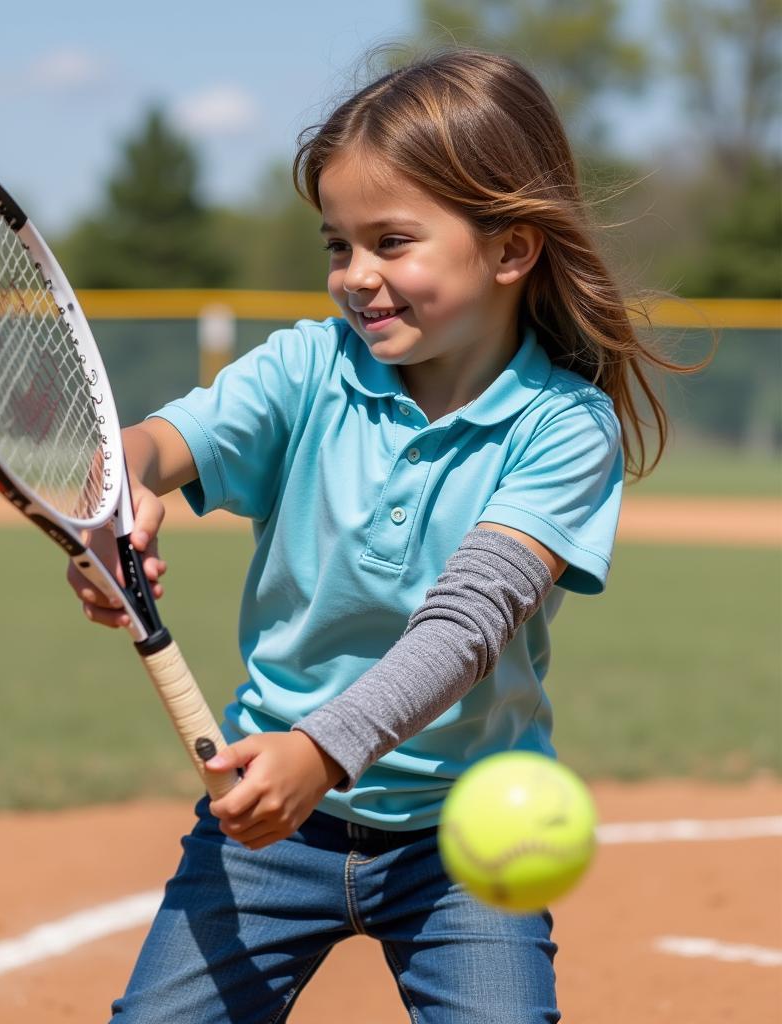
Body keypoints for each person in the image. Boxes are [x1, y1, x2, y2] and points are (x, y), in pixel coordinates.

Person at [68, 48, 691, 1024]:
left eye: (390, 241)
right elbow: (157, 443)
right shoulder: (307, 368)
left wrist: (321, 747)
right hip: (271, 832)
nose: (355, 278)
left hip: (461, 841)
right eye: (336, 245)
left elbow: (465, 624)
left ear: (509, 248)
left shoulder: (564, 428)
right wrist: (126, 492)